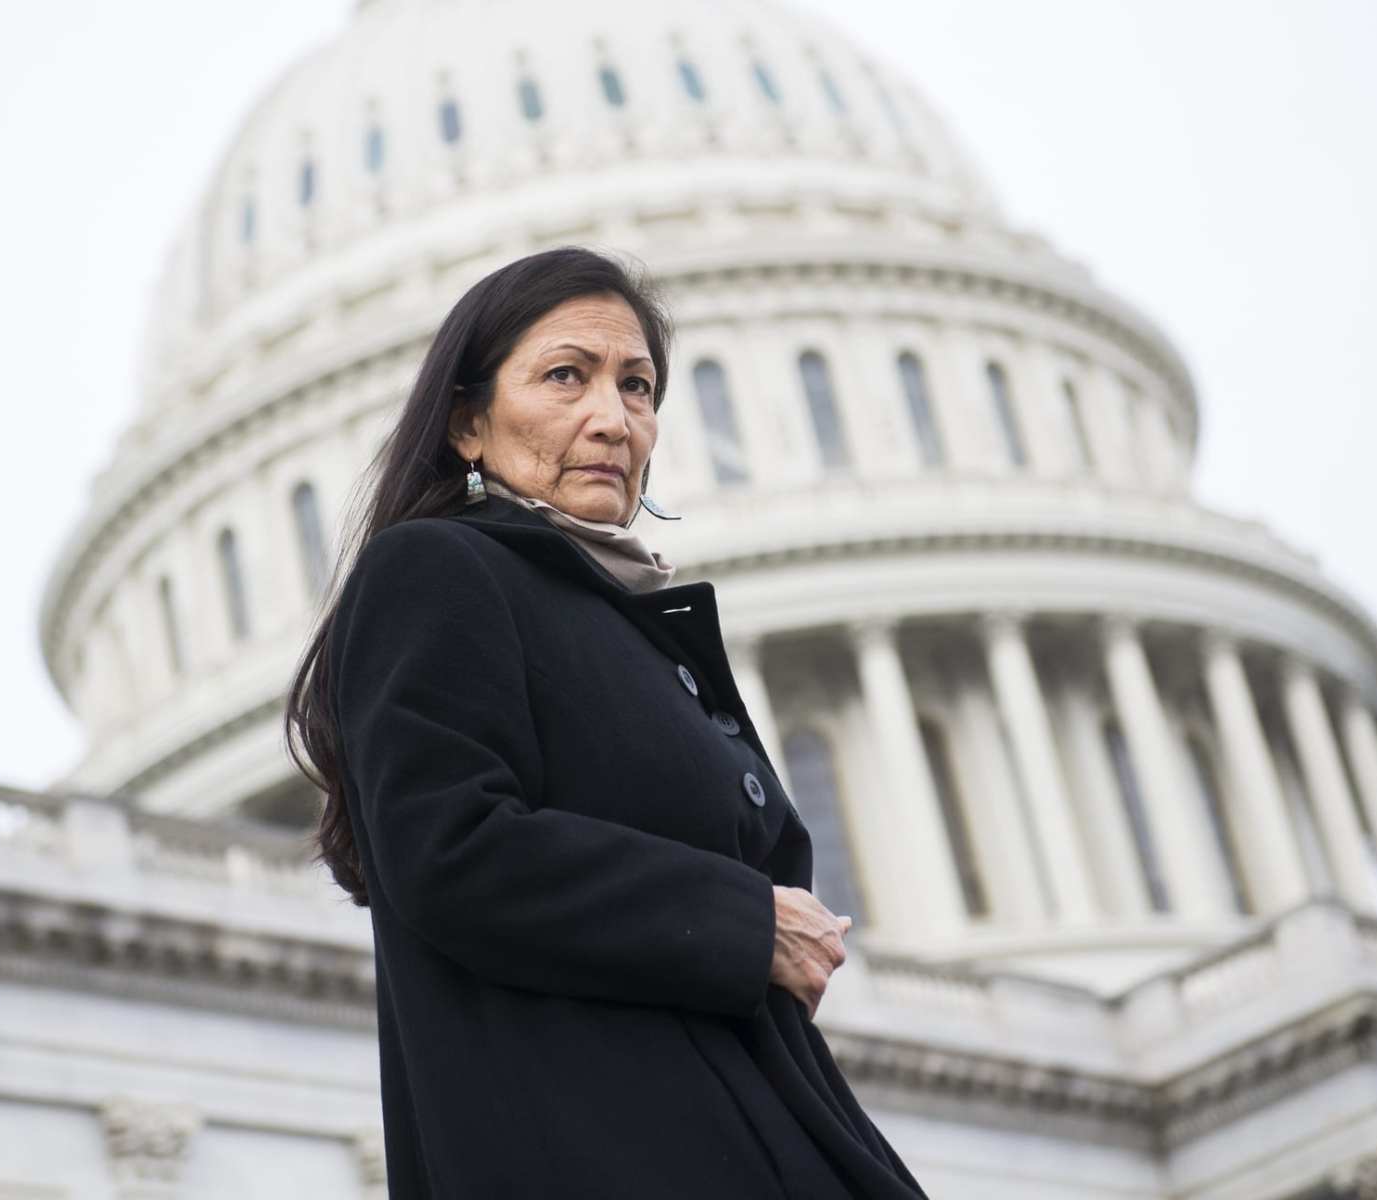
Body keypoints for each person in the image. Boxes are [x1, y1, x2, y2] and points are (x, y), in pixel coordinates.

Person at [285, 246, 930, 1199]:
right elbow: (451, 847)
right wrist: (741, 919)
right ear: (468, 423)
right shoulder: (437, 572)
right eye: (565, 377)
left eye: (637, 387)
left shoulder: (639, 632)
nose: (612, 418)